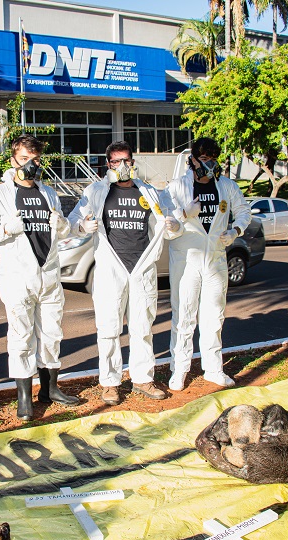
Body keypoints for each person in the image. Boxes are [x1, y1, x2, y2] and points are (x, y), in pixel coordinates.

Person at [0, 134, 80, 420]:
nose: (31, 165)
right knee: (21, 337)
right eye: (24, 159)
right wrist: (6, 229)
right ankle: (24, 396)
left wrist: (63, 225)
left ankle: (50, 389)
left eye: (36, 160)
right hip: (18, 276)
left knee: (52, 333)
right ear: (13, 161)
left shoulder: (49, 193)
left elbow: (62, 232)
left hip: (49, 274)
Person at [68, 141, 183, 405]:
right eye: (115, 162)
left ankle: (143, 378)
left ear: (133, 162)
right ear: (107, 164)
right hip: (111, 268)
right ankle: (110, 383)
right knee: (108, 328)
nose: (122, 167)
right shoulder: (96, 192)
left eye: (126, 161)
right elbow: (74, 222)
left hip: (142, 267)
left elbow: (173, 221)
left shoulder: (150, 192)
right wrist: (84, 225)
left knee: (143, 326)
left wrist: (175, 224)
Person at [166, 137, 252, 391]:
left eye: (213, 159)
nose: (209, 164)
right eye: (203, 159)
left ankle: (213, 369)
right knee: (183, 316)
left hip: (215, 259)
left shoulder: (226, 186)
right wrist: (183, 214)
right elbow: (164, 219)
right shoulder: (176, 187)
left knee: (214, 316)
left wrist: (235, 230)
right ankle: (179, 370)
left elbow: (244, 211)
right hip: (186, 259)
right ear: (192, 160)